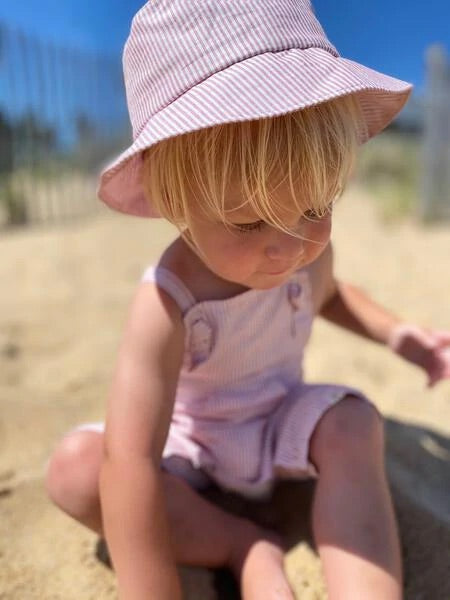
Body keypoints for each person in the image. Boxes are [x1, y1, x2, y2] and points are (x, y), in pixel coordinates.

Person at [45, 2, 450, 599]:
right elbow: (131, 460)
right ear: (177, 203)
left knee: (354, 421)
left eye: (317, 209)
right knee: (78, 470)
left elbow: (332, 295)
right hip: (191, 448)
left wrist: (398, 335)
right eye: (249, 222)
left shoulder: (305, 256)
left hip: (278, 423)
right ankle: (240, 543)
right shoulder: (167, 301)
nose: (288, 249)